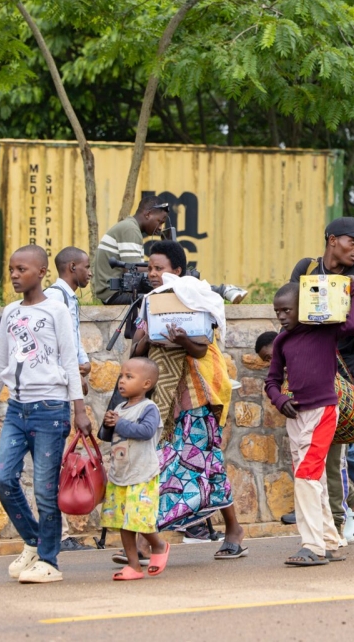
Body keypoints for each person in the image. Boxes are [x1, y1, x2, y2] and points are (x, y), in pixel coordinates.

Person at [0, 245, 90, 584]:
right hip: (16, 409)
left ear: (41, 272)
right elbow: (0, 361)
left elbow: (69, 361)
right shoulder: (10, 312)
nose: (14, 275)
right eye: (12, 269)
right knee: (3, 478)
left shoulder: (57, 310)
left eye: (21, 269)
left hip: (50, 410)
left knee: (44, 489)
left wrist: (79, 409)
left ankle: (49, 561)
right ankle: (34, 540)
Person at [130, 239, 247, 560]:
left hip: (198, 396)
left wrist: (182, 339)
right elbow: (135, 352)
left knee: (207, 461)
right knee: (161, 464)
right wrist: (146, 337)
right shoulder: (150, 304)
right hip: (165, 401)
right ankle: (147, 541)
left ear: (177, 271)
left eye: (159, 268)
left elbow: (200, 348)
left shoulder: (195, 299)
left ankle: (231, 529)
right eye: (149, 267)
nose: (152, 273)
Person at [288, 217, 354, 537]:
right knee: (308, 443)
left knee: (335, 448)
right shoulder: (306, 268)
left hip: (342, 372)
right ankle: (344, 503)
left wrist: (343, 322)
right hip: (307, 367)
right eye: (352, 241)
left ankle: (337, 516)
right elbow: (289, 306)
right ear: (332, 240)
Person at [265, 280, 354, 565]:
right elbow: (272, 381)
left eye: (286, 310)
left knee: (306, 477)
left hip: (323, 412)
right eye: (277, 312)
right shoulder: (282, 341)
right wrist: (279, 400)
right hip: (296, 417)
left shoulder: (325, 330)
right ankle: (330, 542)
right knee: (313, 479)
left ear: (303, 307)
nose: (281, 316)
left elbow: (353, 324)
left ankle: (312, 546)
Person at [43, 246, 95, 553]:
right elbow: (55, 347)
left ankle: (59, 535)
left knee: (58, 463)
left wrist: (83, 367)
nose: (90, 272)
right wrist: (74, 371)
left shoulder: (68, 298)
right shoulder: (55, 297)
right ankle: (57, 536)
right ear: (72, 267)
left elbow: (73, 342)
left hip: (66, 388)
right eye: (86, 267)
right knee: (53, 465)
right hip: (54, 393)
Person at [100, 357, 170, 581]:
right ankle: (133, 566)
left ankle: (158, 545)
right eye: (121, 376)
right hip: (120, 475)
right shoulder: (119, 408)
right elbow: (109, 436)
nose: (122, 381)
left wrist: (119, 423)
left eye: (129, 377)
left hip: (142, 474)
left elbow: (146, 432)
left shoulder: (149, 408)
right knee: (123, 522)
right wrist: (108, 424)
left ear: (146, 384)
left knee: (139, 520)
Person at [92, 195, 168, 305]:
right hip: (114, 294)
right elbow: (133, 270)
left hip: (114, 292)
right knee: (164, 299)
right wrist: (165, 271)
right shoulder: (130, 229)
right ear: (148, 214)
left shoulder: (131, 227)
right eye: (159, 222)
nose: (160, 227)